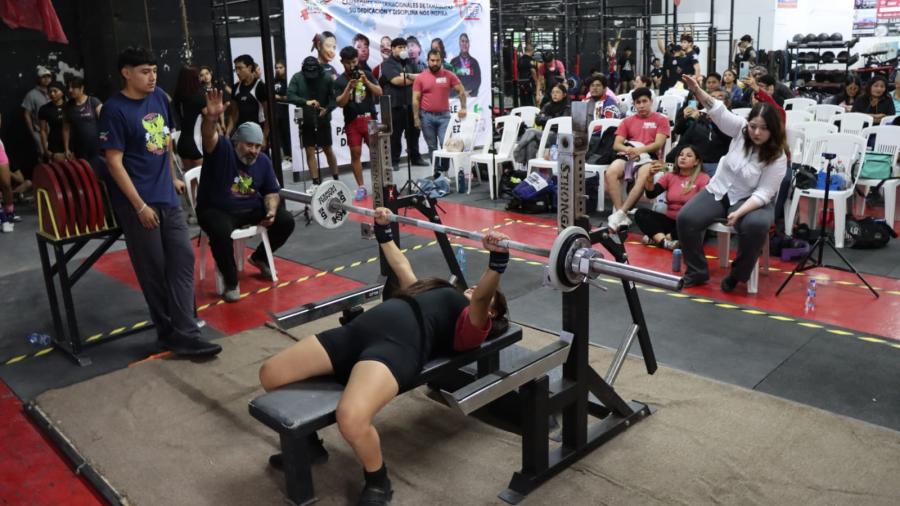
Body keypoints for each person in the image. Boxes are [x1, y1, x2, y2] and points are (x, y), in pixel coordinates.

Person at [258, 209, 510, 506]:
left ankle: (378, 480)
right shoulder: (436, 290)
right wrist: (383, 230)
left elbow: (482, 296)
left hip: (397, 347)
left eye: (483, 294)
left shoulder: (474, 324)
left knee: (351, 419)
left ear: (492, 313)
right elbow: (402, 266)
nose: (473, 290)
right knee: (271, 374)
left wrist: (497, 260)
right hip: (360, 330)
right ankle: (310, 444)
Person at [99, 47, 221, 356]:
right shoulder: (114, 110)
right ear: (126, 73)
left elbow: (165, 141)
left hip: (166, 195)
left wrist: (172, 177)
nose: (152, 76)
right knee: (154, 271)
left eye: (154, 70)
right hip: (138, 202)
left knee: (182, 261)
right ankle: (169, 332)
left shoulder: (159, 99)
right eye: (144, 71)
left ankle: (186, 330)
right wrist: (139, 206)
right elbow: (114, 162)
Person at [676, 75, 787, 293]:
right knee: (686, 218)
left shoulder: (778, 156)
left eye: (763, 128)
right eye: (753, 126)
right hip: (720, 190)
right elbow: (718, 110)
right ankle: (697, 271)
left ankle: (738, 275)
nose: (756, 132)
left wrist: (739, 213)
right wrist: (697, 90)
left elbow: (764, 193)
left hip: (751, 199)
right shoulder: (740, 130)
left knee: (755, 225)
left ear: (773, 129)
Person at [195, 90, 295, 302]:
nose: (254, 151)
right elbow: (208, 136)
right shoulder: (222, 149)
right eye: (249, 145)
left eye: (258, 146)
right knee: (220, 232)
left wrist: (271, 210)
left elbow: (271, 191)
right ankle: (231, 281)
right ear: (236, 142)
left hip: (249, 207)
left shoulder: (263, 161)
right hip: (216, 208)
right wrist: (211, 118)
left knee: (286, 220)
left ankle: (259, 258)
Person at [605, 87, 671, 231]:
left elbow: (658, 144)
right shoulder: (627, 121)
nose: (641, 105)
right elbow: (617, 145)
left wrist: (639, 150)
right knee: (611, 172)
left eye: (644, 101)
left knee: (643, 175)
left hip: (652, 158)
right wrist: (628, 150)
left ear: (651, 102)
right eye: (638, 102)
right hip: (629, 155)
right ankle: (620, 213)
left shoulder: (661, 120)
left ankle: (621, 213)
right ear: (634, 104)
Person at [636, 145, 710, 250]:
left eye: (688, 156)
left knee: (691, 224)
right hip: (669, 220)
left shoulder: (703, 178)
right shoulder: (670, 176)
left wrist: (671, 233)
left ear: (696, 162)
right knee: (641, 213)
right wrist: (650, 176)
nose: (683, 158)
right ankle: (665, 242)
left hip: (687, 222)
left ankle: (657, 238)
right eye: (681, 155)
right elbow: (651, 194)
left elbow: (702, 206)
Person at [335, 46, 383, 201]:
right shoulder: (341, 80)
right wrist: (349, 87)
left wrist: (366, 82)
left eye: (354, 62)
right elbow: (340, 103)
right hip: (352, 121)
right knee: (355, 154)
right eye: (348, 63)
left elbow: (379, 92)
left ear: (358, 60)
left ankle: (380, 184)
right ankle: (361, 187)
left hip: (369, 118)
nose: (352, 65)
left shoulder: (367, 74)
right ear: (342, 62)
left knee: (376, 153)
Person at [413, 49, 467, 177]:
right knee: (432, 147)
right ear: (428, 61)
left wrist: (463, 107)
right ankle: (437, 173)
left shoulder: (449, 75)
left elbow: (461, 91)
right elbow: (415, 99)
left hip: (444, 117)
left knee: (445, 145)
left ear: (441, 61)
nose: (435, 63)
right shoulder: (421, 78)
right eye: (432, 60)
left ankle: (444, 171)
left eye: (437, 60)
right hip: (426, 117)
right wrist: (416, 117)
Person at [287, 56, 338, 189]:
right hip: (307, 120)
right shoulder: (297, 78)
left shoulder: (327, 78)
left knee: (328, 149)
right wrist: (305, 102)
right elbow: (290, 95)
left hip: (323, 119)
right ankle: (315, 182)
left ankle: (336, 178)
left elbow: (334, 99)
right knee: (309, 150)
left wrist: (327, 109)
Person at [380, 37, 427, 170]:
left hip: (412, 104)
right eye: (399, 47)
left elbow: (422, 78)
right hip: (396, 105)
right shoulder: (388, 64)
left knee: (414, 133)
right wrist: (412, 77)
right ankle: (394, 161)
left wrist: (407, 76)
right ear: (393, 49)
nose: (402, 50)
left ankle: (415, 158)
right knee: (395, 136)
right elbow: (396, 81)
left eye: (404, 47)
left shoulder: (410, 62)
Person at [667, 89, 732, 176]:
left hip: (716, 164)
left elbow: (728, 140)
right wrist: (687, 118)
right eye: (712, 97)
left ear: (727, 103)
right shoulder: (700, 119)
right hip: (693, 162)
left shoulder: (732, 121)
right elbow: (681, 137)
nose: (715, 100)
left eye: (720, 97)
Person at [513, 84, 571, 165]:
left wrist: (546, 118)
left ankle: (518, 150)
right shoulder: (547, 105)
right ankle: (530, 171)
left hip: (557, 137)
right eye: (553, 92)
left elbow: (560, 123)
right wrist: (551, 118)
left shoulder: (567, 107)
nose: (554, 94)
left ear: (564, 94)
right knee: (531, 143)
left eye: (557, 92)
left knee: (531, 131)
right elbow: (537, 120)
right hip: (543, 135)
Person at [171, 65, 206, 169]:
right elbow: (209, 117)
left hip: (182, 144)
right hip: (196, 144)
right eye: (198, 76)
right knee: (202, 181)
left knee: (190, 181)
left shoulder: (178, 96)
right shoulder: (199, 97)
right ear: (194, 78)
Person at [228, 54, 268, 142]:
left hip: (258, 133)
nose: (237, 72)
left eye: (240, 68)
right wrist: (227, 133)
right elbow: (233, 114)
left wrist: (264, 137)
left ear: (249, 68)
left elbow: (268, 115)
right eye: (236, 69)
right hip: (241, 133)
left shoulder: (260, 87)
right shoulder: (235, 87)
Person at [62, 77, 103, 161]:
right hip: (78, 148)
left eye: (73, 87)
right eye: (69, 87)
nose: (70, 90)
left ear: (82, 88)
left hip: (97, 146)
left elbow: (105, 123)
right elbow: (66, 129)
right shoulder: (68, 106)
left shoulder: (94, 101)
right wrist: (66, 149)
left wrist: (105, 142)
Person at [22, 66, 53, 160]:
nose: (46, 79)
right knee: (43, 156)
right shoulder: (31, 94)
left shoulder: (54, 92)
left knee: (56, 156)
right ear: (38, 78)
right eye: (43, 76)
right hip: (39, 132)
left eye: (48, 76)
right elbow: (26, 114)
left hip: (55, 131)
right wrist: (33, 132)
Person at [38, 81, 67, 162]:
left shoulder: (70, 106)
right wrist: (45, 149)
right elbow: (43, 130)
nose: (52, 94)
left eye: (55, 91)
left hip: (71, 144)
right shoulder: (44, 109)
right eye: (50, 92)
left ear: (62, 92)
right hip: (54, 144)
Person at [450, 33, 481, 97]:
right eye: (462, 41)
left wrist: (469, 94)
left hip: (471, 99)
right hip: (456, 99)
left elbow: (477, 81)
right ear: (459, 43)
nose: (464, 44)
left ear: (469, 44)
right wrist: (459, 93)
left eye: (466, 41)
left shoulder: (474, 62)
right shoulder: (453, 62)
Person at [273, 60, 292, 160]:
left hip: (285, 111)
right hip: (275, 112)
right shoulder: (273, 81)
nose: (278, 70)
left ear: (285, 68)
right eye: (276, 68)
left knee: (286, 134)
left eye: (280, 67)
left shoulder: (288, 81)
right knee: (278, 135)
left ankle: (290, 155)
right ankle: (284, 156)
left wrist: (278, 97)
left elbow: (289, 97)